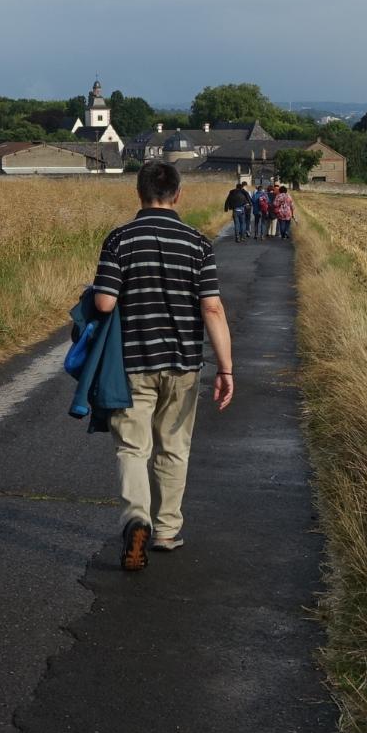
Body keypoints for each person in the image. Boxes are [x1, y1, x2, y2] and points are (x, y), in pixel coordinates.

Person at [89, 160, 235, 570]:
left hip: (131, 362)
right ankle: (167, 529)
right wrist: (225, 368)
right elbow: (212, 307)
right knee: (174, 447)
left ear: (138, 193)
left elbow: (104, 303)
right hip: (184, 363)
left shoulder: (119, 239)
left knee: (133, 448)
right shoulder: (197, 243)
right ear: (178, 194)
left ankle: (137, 517)